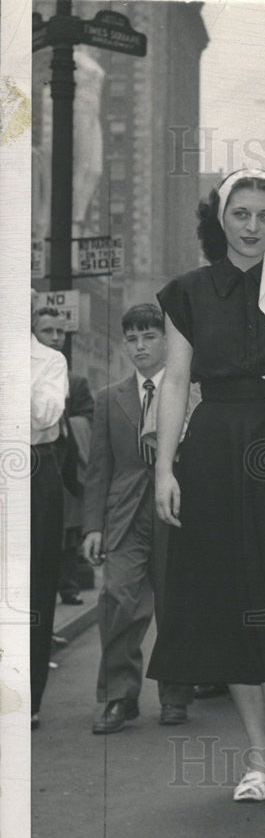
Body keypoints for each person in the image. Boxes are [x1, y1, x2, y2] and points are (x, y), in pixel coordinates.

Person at [148, 168, 265, 811]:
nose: (253, 227)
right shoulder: (187, 293)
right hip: (212, 450)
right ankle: (257, 756)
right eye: (242, 214)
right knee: (229, 598)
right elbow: (176, 383)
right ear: (221, 218)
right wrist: (165, 470)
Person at [82, 304, 194, 734]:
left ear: (166, 341)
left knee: (175, 604)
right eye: (132, 339)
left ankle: (176, 695)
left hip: (176, 512)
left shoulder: (189, 391)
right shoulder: (110, 398)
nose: (140, 346)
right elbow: (98, 468)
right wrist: (94, 526)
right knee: (119, 602)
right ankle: (118, 697)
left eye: (149, 337)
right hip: (125, 515)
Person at [31, 306, 95, 605]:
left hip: (62, 464)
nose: (56, 337)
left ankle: (67, 586)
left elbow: (87, 419)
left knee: (64, 534)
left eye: (60, 332)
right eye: (48, 331)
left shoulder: (74, 379)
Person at [30, 322, 69, 728]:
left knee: (35, 589)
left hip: (32, 467)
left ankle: (27, 698)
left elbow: (44, 414)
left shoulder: (48, 360)